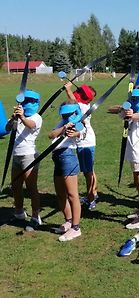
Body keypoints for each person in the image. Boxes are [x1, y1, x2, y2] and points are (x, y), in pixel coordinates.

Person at [49, 100, 85, 241]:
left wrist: (75, 133)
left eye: (69, 113)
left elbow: (82, 133)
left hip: (68, 158)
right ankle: (69, 221)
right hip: (57, 158)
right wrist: (64, 128)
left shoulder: (79, 123)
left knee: (72, 194)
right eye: (65, 114)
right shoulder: (62, 123)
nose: (67, 116)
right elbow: (51, 135)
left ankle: (76, 228)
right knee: (60, 194)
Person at [7, 90, 42, 230]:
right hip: (16, 155)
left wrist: (21, 117)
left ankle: (35, 217)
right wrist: (13, 118)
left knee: (31, 187)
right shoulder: (19, 115)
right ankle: (19, 213)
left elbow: (31, 125)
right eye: (26, 100)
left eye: (31, 101)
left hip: (29, 156)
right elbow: (7, 128)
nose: (27, 103)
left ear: (36, 103)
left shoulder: (36, 117)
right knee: (16, 186)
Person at [121, 86, 139, 230]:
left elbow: (134, 116)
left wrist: (129, 112)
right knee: (137, 183)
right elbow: (114, 110)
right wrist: (125, 106)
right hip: (132, 152)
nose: (137, 101)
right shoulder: (129, 108)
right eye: (135, 98)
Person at [64, 83, 98, 210]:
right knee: (89, 170)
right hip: (84, 141)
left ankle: (91, 199)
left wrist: (68, 89)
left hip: (85, 142)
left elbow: (73, 100)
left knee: (88, 172)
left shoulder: (82, 106)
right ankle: (94, 193)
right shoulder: (84, 105)